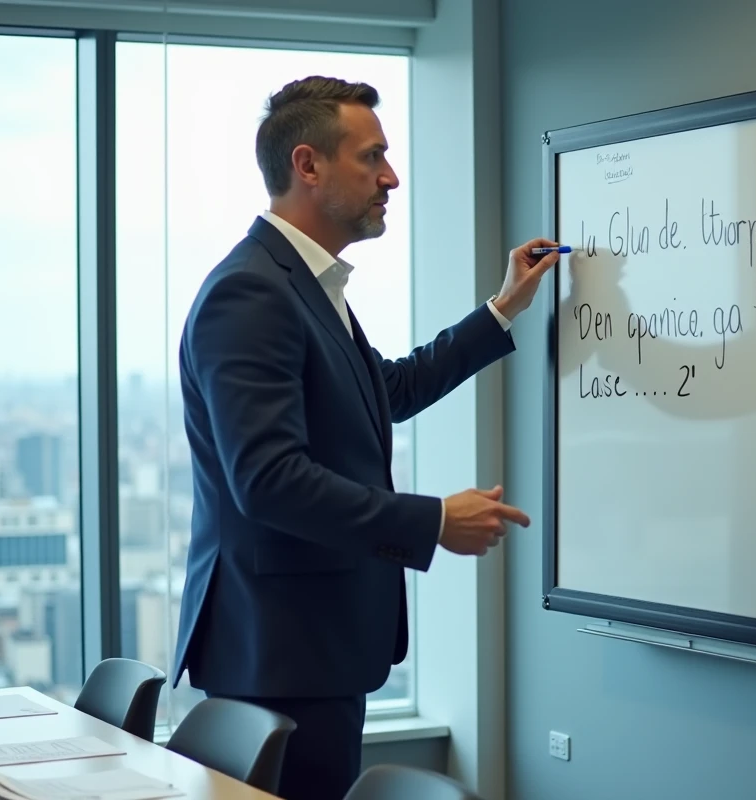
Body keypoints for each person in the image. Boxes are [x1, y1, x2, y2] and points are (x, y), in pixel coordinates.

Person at [170, 75, 559, 800]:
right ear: (308, 165)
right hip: (281, 656)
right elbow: (268, 480)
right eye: (372, 156)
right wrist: (432, 522)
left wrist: (504, 307)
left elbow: (391, 389)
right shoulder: (252, 292)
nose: (391, 177)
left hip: (304, 652)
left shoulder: (301, 286)